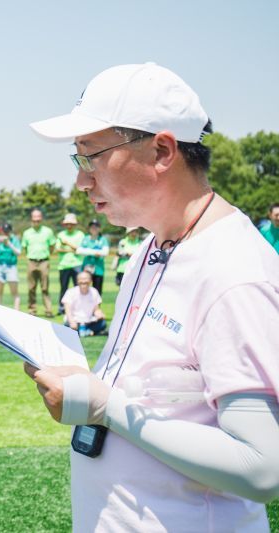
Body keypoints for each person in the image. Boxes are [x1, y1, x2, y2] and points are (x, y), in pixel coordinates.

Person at [26, 62, 279, 531]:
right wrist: (85, 382)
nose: (81, 181)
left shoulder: (234, 272)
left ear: (163, 151)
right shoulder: (153, 245)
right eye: (77, 160)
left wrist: (104, 405)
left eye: (90, 157)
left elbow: (261, 466)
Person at [21, 209, 56, 317]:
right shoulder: (27, 233)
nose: (36, 221)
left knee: (45, 287)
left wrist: (46, 255)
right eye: (34, 219)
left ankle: (48, 310)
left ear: (41, 219)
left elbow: (52, 246)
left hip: (44, 261)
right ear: (31, 219)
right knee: (31, 287)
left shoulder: (48, 231)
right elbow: (25, 248)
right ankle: (32, 310)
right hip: (31, 261)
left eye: (38, 218)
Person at [55, 213, 85, 314]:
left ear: (75, 224)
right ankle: (62, 308)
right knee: (64, 288)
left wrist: (67, 244)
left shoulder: (80, 234)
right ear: (64, 224)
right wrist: (72, 250)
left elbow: (79, 249)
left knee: (79, 287)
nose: (69, 226)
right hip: (63, 265)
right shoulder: (61, 235)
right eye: (67, 224)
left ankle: (79, 307)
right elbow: (58, 249)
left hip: (77, 264)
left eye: (71, 224)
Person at [61, 271, 106, 336]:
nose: (83, 281)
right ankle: (89, 332)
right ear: (77, 281)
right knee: (67, 325)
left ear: (90, 281)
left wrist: (99, 314)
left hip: (88, 321)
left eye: (85, 279)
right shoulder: (70, 292)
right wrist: (72, 322)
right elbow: (67, 310)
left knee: (103, 323)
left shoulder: (94, 292)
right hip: (75, 321)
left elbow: (96, 309)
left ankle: (83, 331)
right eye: (81, 279)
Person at [0, 223, 21, 310]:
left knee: (14, 292)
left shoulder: (14, 239)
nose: (5, 233)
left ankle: (16, 312)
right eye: (4, 231)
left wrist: (9, 244)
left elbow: (18, 253)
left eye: (7, 231)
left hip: (11, 267)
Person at [77, 219, 110, 295]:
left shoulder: (103, 239)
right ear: (89, 228)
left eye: (96, 227)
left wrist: (88, 251)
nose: (94, 229)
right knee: (84, 289)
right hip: (86, 268)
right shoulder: (86, 238)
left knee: (97, 290)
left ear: (99, 228)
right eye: (92, 227)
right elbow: (79, 250)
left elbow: (105, 252)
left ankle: (97, 307)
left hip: (98, 269)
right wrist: (95, 252)